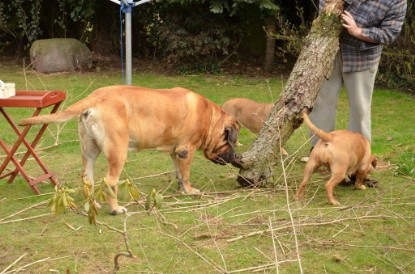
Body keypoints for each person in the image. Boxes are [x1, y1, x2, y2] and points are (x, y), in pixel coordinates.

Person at [308, 0, 408, 149]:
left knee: (359, 108)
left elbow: (389, 34)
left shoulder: (397, 2)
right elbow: (326, 3)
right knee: (321, 102)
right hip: (330, 50)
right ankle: (321, 150)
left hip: (362, 58)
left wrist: (358, 31)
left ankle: (358, 156)